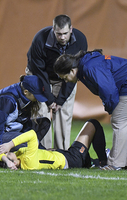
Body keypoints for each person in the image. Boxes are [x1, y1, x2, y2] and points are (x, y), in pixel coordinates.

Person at [53, 49, 127, 171]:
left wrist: (110, 107)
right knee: (123, 123)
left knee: (119, 122)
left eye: (65, 77)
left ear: (72, 70)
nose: (66, 81)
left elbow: (109, 90)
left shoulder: (88, 67)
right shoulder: (86, 65)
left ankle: (115, 164)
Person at [26, 14, 88, 150]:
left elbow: (74, 74)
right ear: (53, 30)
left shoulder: (81, 40)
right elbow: (39, 72)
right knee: (41, 112)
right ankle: (42, 151)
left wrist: (59, 100)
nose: (62, 37)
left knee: (63, 113)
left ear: (71, 29)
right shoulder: (40, 39)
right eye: (59, 34)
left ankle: (62, 152)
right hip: (39, 76)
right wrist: (49, 99)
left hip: (64, 78)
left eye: (65, 33)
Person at [0, 75, 50, 168]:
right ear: (26, 92)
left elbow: (26, 126)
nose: (37, 98)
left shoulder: (25, 96)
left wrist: (40, 148)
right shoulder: (7, 100)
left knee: (44, 124)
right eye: (36, 95)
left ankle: (19, 153)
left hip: (7, 131)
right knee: (26, 142)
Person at [0, 119, 108, 170]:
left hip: (64, 156)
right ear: (14, 164)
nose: (6, 151)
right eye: (7, 155)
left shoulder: (18, 159)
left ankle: (95, 162)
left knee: (87, 160)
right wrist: (10, 144)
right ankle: (104, 161)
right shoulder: (28, 160)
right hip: (72, 158)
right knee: (93, 123)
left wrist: (6, 160)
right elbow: (32, 134)